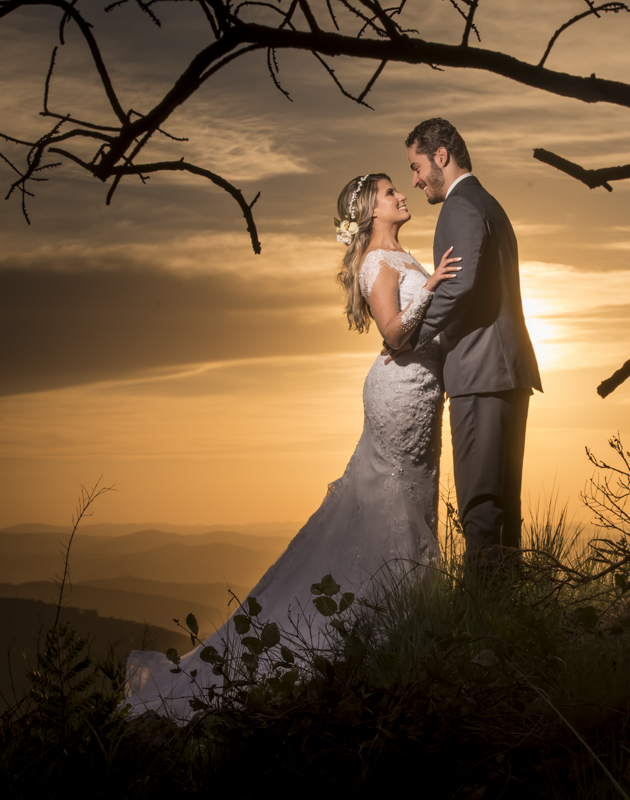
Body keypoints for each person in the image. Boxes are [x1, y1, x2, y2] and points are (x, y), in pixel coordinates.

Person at [124, 173, 461, 720]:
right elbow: (395, 334)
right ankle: (375, 640)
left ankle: (405, 635)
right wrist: (433, 286)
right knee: (392, 510)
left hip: (422, 395)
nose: (401, 194)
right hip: (399, 397)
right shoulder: (377, 262)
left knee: (412, 504)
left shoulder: (399, 254)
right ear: (371, 210)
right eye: (389, 192)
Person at [399, 118, 542, 571]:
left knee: (480, 506)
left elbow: (458, 287)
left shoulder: (459, 206)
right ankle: (509, 605)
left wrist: (411, 337)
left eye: (416, 166)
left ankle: (484, 607)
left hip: (479, 372)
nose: (415, 180)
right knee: (504, 504)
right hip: (507, 370)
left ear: (441, 156)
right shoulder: (489, 204)